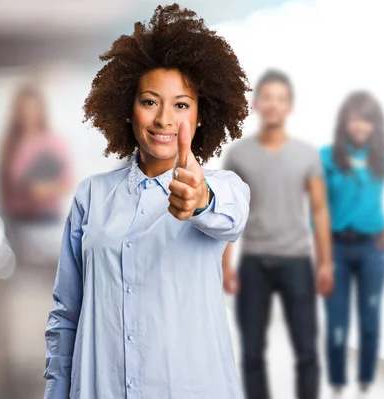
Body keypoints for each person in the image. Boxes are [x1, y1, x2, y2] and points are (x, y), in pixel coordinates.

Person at [43, 4, 251, 398]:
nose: (164, 120)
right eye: (150, 101)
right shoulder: (91, 195)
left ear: (202, 115)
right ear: (129, 108)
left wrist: (200, 200)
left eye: (182, 105)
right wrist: (56, 391)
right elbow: (66, 313)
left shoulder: (225, 187)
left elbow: (231, 217)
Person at [222, 70, 334, 399]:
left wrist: (325, 263)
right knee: (252, 354)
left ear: (290, 107)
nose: (273, 105)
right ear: (257, 104)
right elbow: (229, 214)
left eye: (280, 99)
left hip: (297, 261)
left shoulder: (306, 154)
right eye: (267, 98)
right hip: (254, 262)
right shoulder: (239, 154)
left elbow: (320, 210)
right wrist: (226, 265)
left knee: (307, 352)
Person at [320, 91, 384, 398]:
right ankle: (337, 384)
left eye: (367, 120)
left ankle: (365, 383)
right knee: (337, 323)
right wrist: (322, 254)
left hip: (372, 250)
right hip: (336, 248)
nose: (360, 126)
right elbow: (318, 207)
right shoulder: (327, 156)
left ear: (376, 124)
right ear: (345, 121)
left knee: (369, 320)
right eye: (355, 119)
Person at [0, 84, 73, 222]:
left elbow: (67, 183)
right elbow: (3, 187)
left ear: (41, 110)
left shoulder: (53, 143)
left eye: (32, 108)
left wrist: (44, 190)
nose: (28, 114)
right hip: (15, 220)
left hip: (46, 220)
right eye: (23, 109)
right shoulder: (10, 144)